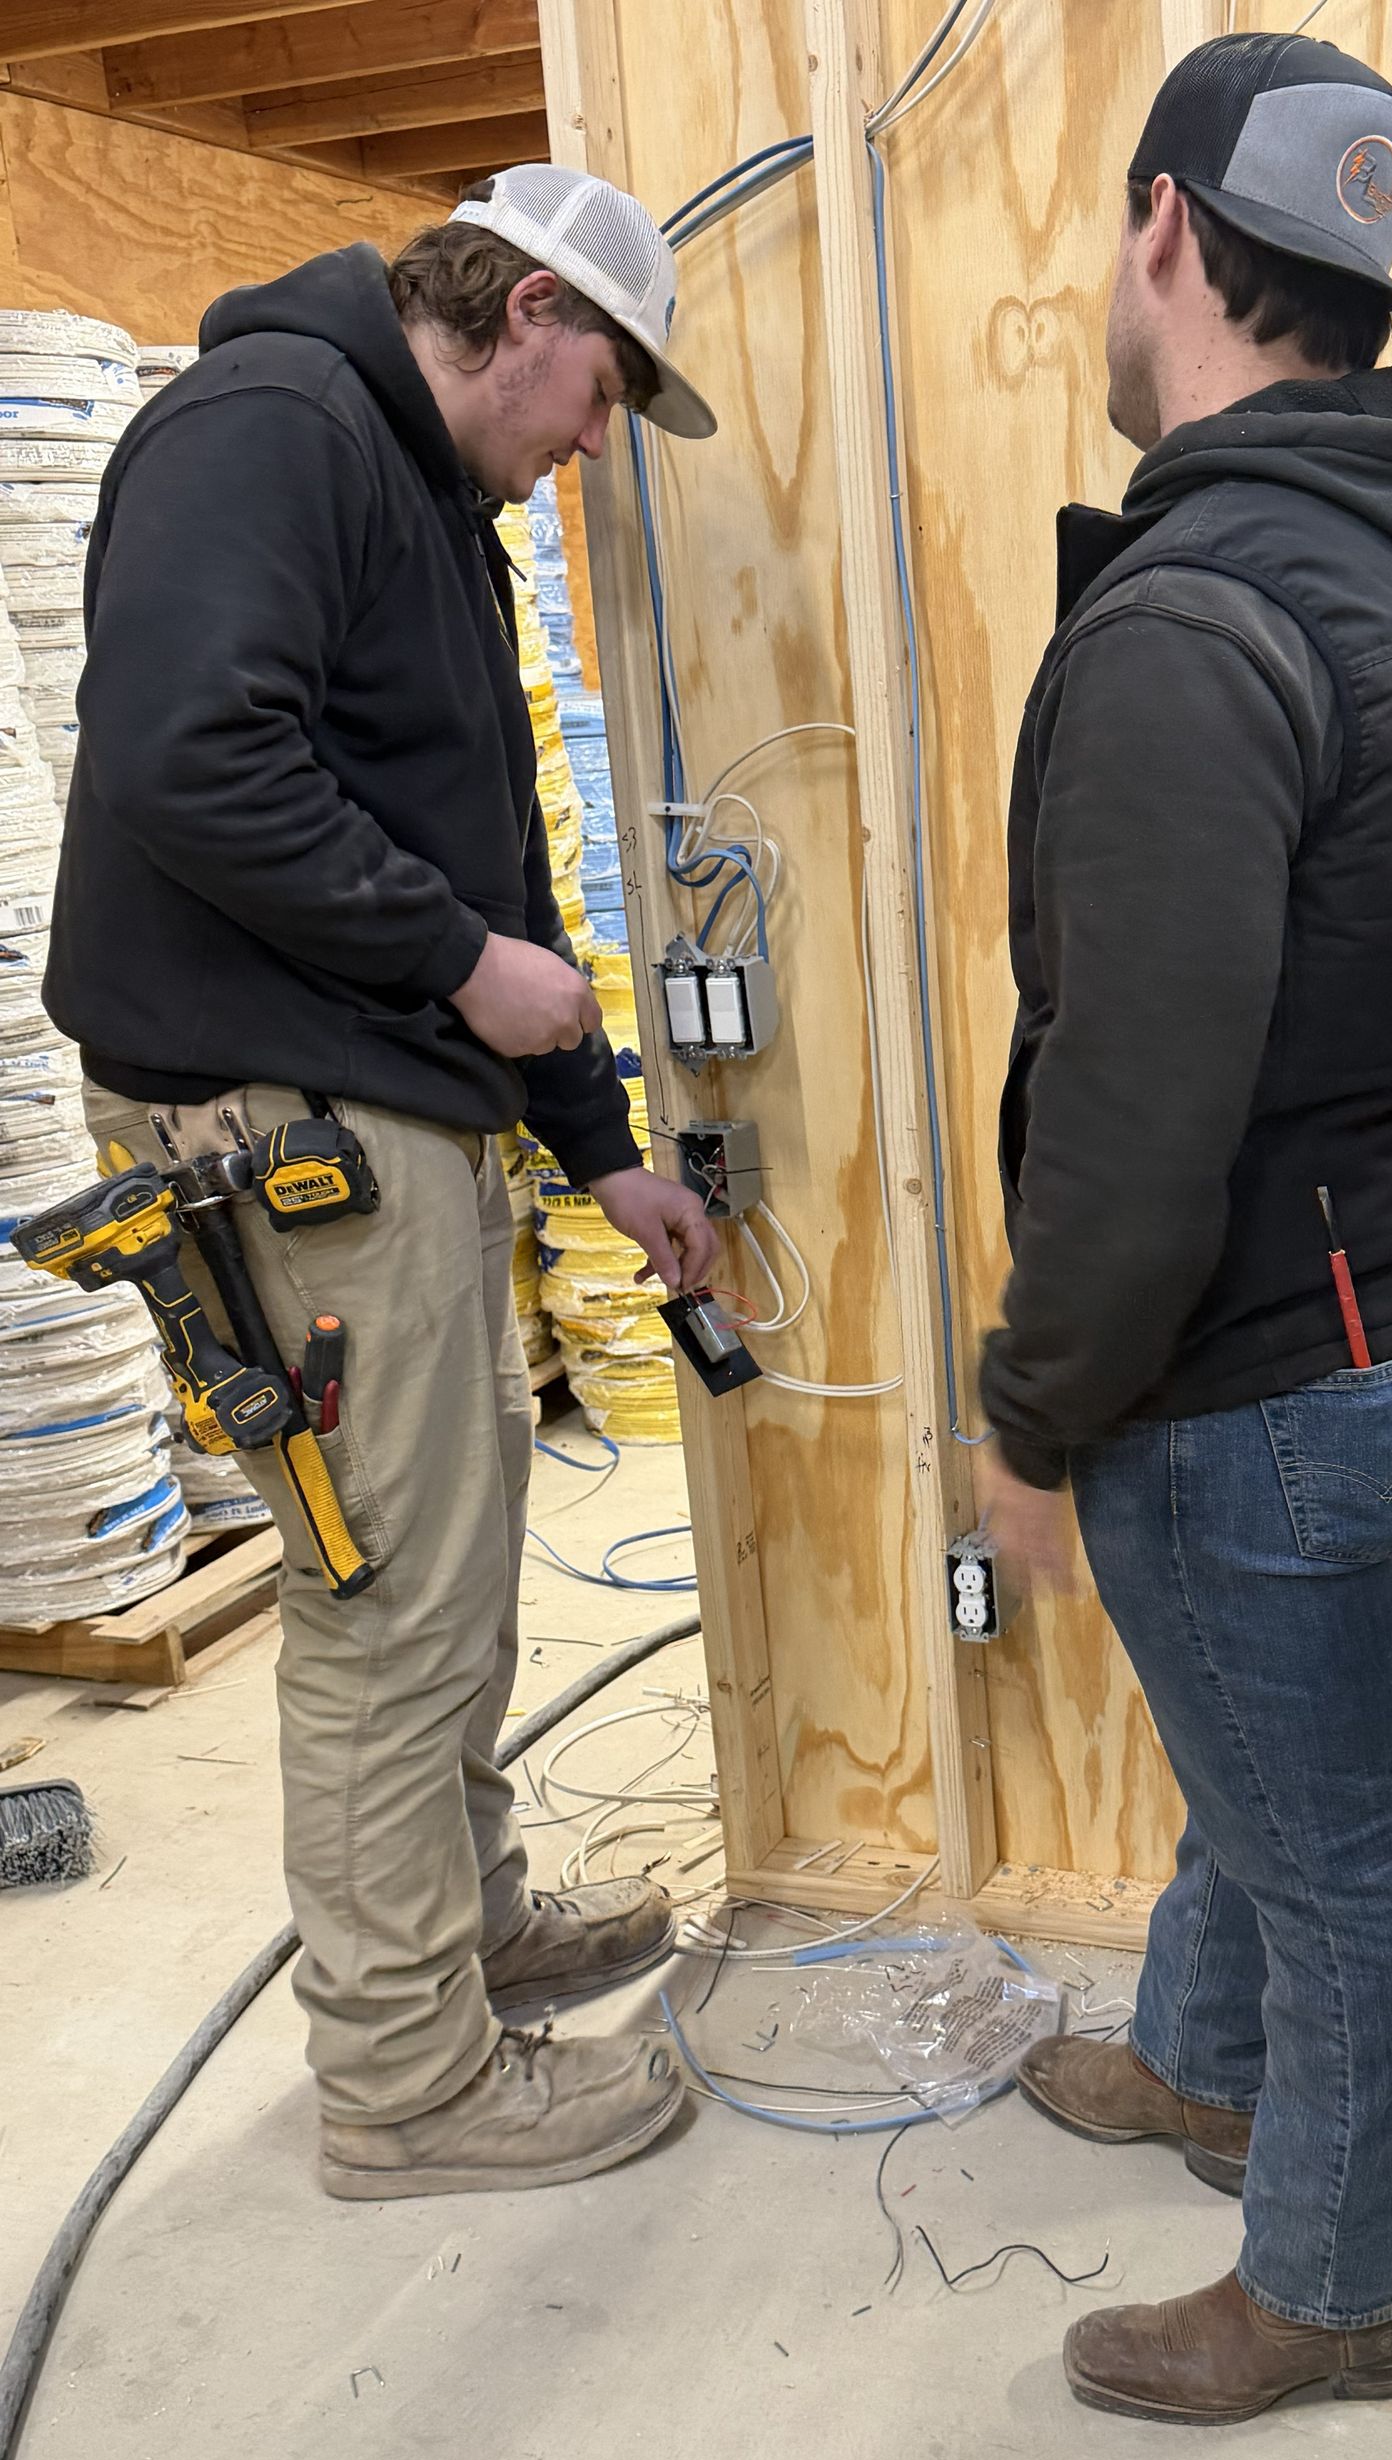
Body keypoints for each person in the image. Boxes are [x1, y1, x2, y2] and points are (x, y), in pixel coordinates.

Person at [44, 166, 721, 2201]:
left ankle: (464, 1922)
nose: (599, 439)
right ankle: (407, 2081)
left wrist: (605, 1150)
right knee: (383, 1608)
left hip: (376, 1108)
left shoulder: (434, 514)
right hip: (280, 1122)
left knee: (453, 1560)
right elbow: (187, 755)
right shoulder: (268, 432)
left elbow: (504, 884)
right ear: (523, 308)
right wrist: (446, 961)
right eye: (606, 388)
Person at [977, 37, 1392, 2421]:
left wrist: (1030, 1414)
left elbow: (1136, 1104)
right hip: (1382, 1286)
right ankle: (1205, 2064)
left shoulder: (1199, 616)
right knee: (1262, 1745)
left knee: (1328, 1847)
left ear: (1166, 236)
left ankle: (1333, 2280)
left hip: (1242, 1350)